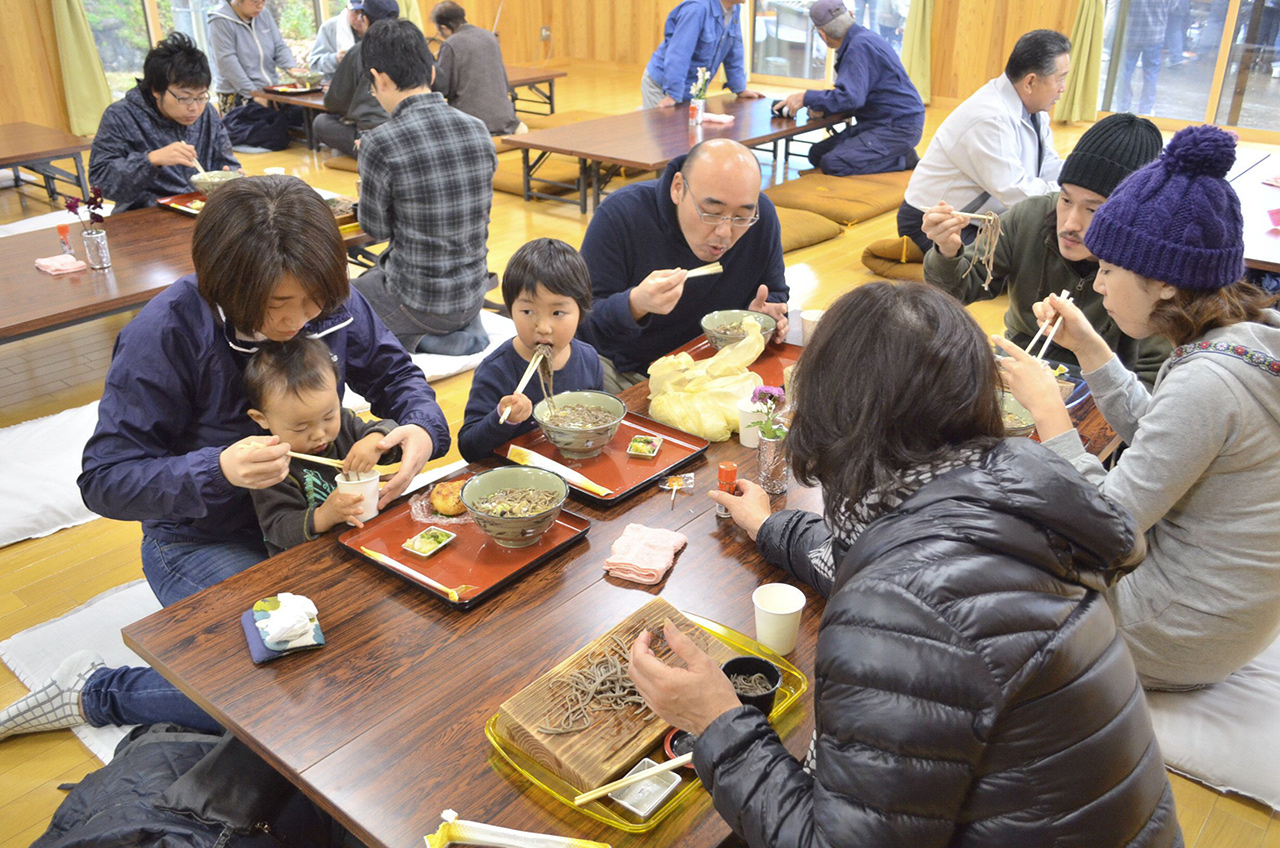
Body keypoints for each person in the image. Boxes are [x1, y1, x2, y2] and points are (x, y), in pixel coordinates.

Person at [629, 282, 1181, 846]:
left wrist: (717, 722)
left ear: (833, 416)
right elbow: (895, 564)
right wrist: (771, 525)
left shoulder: (903, 607)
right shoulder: (1002, 490)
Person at [0, 176, 449, 741]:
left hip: (316, 521)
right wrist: (217, 469)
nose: (299, 321)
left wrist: (419, 432)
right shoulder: (166, 331)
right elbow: (105, 479)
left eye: (314, 301)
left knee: (405, 635)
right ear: (226, 285)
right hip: (203, 538)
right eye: (277, 305)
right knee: (284, 681)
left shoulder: (329, 300)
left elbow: (398, 378)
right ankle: (99, 691)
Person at [996, 124, 1280, 691]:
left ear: (1167, 284)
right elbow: (1165, 437)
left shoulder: (1208, 385)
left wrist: (1051, 413)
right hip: (1221, 611)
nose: (1097, 286)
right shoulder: (1244, 338)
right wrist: (1093, 349)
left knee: (989, 572)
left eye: (1108, 270)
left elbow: (1103, 529)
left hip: (1176, 629)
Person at [921, 112, 1171, 387]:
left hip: (1106, 385)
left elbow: (1153, 376)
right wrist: (947, 251)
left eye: (1093, 209)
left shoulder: (1152, 258)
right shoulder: (1031, 216)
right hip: (1018, 362)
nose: (1071, 223)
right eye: (1066, 199)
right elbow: (957, 290)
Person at [577, 139, 789, 393]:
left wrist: (763, 318)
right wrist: (634, 305)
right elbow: (582, 322)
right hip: (629, 370)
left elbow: (775, 293)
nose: (725, 231)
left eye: (741, 218)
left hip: (720, 365)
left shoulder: (761, 219)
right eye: (711, 212)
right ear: (678, 188)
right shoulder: (621, 216)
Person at [354, 18, 498, 356]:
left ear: (379, 79)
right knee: (378, 277)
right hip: (473, 293)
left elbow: (373, 228)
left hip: (419, 303)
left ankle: (428, 339)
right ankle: (464, 327)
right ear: (431, 73)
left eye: (373, 88)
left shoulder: (380, 142)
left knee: (341, 299)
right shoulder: (478, 130)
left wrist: (368, 177)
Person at [899, 29, 1071, 255]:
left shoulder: (1034, 111)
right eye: (1060, 78)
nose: (1063, 88)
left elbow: (1048, 166)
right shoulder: (990, 118)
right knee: (1032, 261)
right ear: (1030, 82)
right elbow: (1017, 194)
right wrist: (1071, 198)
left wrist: (1077, 181)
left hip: (983, 219)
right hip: (934, 223)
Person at [245, 336, 403, 555]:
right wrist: (324, 516)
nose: (320, 434)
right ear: (261, 419)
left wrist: (376, 441)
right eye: (300, 428)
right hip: (307, 559)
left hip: (361, 539)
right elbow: (277, 528)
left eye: (329, 416)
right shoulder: (268, 464)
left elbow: (393, 432)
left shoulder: (345, 424)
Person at [458, 239, 604, 462]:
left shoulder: (589, 359)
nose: (543, 327)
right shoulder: (496, 369)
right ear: (510, 309)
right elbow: (469, 448)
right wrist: (503, 418)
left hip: (575, 465)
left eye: (557, 313)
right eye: (527, 311)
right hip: (517, 480)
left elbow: (600, 423)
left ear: (580, 312)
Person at [90, 32, 240, 212]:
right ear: (156, 89)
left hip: (203, 210)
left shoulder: (206, 113)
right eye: (184, 98)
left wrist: (231, 175)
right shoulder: (121, 116)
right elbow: (101, 181)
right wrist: (151, 160)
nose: (194, 108)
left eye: (201, 96)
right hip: (146, 214)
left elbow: (227, 162)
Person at [776, 0, 924, 176]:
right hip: (879, 121)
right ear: (851, 16)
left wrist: (805, 98)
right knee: (817, 154)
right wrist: (824, 109)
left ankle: (903, 159)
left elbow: (851, 97)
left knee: (833, 163)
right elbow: (856, 94)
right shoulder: (863, 38)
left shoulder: (858, 48)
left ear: (822, 34)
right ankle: (892, 153)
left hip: (897, 127)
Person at [641, 0, 764, 109]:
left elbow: (734, 49)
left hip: (690, 88)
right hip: (663, 87)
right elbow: (679, 54)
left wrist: (740, 88)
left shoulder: (734, 8)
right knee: (663, 131)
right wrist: (672, 94)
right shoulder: (697, 9)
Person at [314, 0, 398, 158]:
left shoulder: (359, 51)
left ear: (365, 19)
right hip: (410, 125)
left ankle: (365, 148)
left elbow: (335, 102)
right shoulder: (413, 44)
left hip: (373, 130)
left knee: (321, 122)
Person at [430, 1, 521, 136]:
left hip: (471, 124)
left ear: (444, 28)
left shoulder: (450, 44)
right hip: (506, 121)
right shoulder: (490, 36)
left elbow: (443, 88)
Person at [207, 0, 303, 113]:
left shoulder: (264, 14)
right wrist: (252, 93)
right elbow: (227, 63)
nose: (260, 6)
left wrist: (292, 68)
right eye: (255, 1)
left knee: (303, 116)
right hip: (238, 93)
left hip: (269, 90)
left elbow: (279, 46)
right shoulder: (219, 20)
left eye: (263, 1)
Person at [1115, 0, 1173, 115]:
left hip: (1132, 33)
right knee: (1151, 73)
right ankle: (1145, 109)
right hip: (1155, 34)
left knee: (1125, 71)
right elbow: (1173, 6)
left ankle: (1122, 106)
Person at [309, 1, 359, 78]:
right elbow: (315, 65)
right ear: (347, 8)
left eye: (364, 13)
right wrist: (335, 59)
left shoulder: (378, 28)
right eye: (355, 12)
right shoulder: (329, 28)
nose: (359, 18)